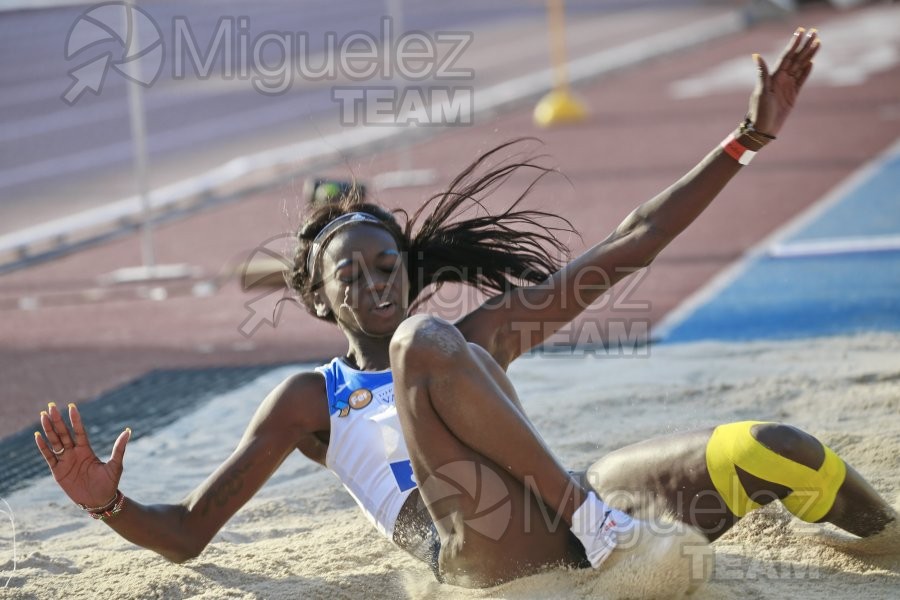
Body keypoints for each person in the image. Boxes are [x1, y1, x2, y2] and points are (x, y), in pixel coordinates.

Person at [33, 27, 895, 588]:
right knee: (423, 345)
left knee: (775, 450)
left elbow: (630, 244)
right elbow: (187, 534)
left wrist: (748, 141)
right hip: (480, 549)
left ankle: (886, 540)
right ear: (323, 298)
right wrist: (108, 505)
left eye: (387, 264)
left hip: (561, 508)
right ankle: (598, 530)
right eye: (353, 275)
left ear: (407, 269)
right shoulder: (310, 399)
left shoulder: (471, 338)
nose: (374, 282)